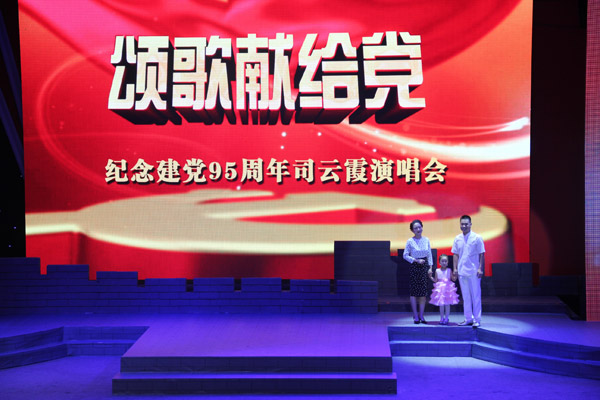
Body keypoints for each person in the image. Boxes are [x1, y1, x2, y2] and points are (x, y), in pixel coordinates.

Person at [452, 215, 485, 327]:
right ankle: (468, 318)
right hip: (462, 272)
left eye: (466, 224)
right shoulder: (457, 238)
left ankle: (477, 319)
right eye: (462, 224)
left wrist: (480, 268)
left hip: (474, 272)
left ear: (470, 224)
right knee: (466, 297)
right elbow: (455, 254)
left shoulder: (477, 238)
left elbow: (481, 254)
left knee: (476, 296)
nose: (464, 226)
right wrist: (455, 268)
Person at [403, 219, 433, 324]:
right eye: (416, 228)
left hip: (424, 267)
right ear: (412, 230)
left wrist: (430, 268)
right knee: (414, 293)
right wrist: (415, 260)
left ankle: (421, 315)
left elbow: (429, 254)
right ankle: (415, 315)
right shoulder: (410, 241)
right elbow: (405, 255)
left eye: (419, 227)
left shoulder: (426, 240)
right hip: (414, 267)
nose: (418, 229)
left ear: (422, 227)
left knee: (423, 293)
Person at [429, 254, 459, 325]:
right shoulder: (437, 270)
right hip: (440, 290)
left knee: (447, 304)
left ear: (448, 262)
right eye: (442, 261)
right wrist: (430, 277)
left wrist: (456, 274)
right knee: (441, 305)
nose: (444, 263)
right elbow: (435, 280)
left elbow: (453, 279)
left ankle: (446, 318)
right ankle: (441, 318)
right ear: (439, 262)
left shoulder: (449, 270)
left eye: (445, 261)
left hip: (448, 289)